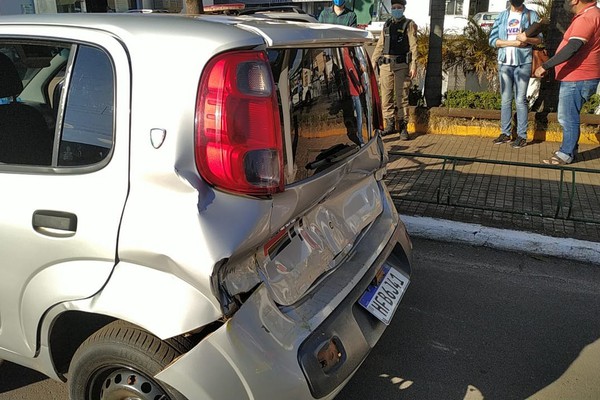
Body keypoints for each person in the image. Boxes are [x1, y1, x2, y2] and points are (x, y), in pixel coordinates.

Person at [534, 0, 600, 165]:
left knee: (567, 117)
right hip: (581, 76)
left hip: (577, 77)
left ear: (575, 0)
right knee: (570, 115)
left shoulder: (587, 18)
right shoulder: (593, 14)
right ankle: (570, 149)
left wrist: (546, 66)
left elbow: (573, 46)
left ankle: (566, 154)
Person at [489, 0, 542, 149]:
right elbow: (492, 40)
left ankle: (521, 136)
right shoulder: (502, 16)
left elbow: (539, 39)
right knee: (506, 99)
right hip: (505, 62)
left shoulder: (531, 15)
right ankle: (505, 133)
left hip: (523, 62)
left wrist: (527, 39)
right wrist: (513, 43)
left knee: (520, 99)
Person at [371, 0, 418, 140]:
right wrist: (373, 60)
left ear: (403, 8)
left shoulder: (409, 24)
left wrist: (414, 64)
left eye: (399, 7)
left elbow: (413, 45)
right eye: (393, 8)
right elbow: (380, 44)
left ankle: (403, 127)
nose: (396, 9)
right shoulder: (387, 24)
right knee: (385, 97)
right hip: (385, 65)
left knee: (401, 97)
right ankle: (390, 125)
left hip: (401, 65)